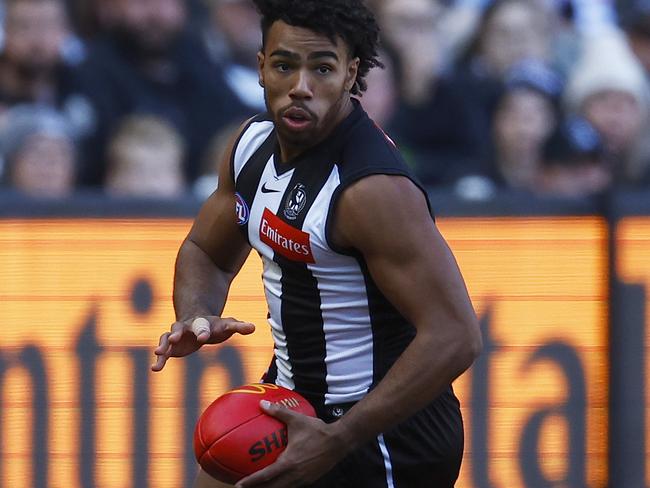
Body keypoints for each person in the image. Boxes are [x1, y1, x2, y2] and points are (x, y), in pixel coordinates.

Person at [151, 1, 482, 487]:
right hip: (295, 400)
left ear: (351, 74)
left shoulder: (371, 190)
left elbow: (456, 336)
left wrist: (340, 437)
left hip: (386, 435)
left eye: (322, 68)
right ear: (261, 66)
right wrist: (197, 313)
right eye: (285, 65)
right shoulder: (250, 146)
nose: (301, 87)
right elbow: (206, 252)